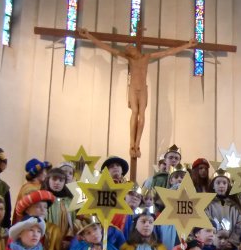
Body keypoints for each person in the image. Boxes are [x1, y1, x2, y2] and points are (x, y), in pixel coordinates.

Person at [78, 27, 196, 159]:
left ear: (135, 49)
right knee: (134, 112)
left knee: (142, 114)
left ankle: (138, 143)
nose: (128, 51)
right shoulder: (130, 59)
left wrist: (188, 45)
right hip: (133, 88)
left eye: (130, 48)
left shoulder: (147, 57)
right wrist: (88, 35)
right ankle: (131, 144)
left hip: (143, 89)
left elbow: (168, 52)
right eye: (127, 50)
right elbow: (107, 48)